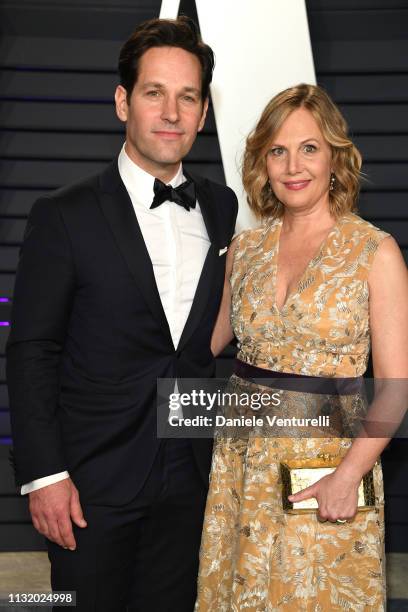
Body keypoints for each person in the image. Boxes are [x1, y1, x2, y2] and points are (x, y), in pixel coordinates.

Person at [6, 16, 237, 612]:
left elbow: (209, 338)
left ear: (203, 113)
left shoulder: (220, 205)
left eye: (187, 97)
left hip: (190, 474)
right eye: (154, 92)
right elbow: (32, 349)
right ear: (122, 102)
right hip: (90, 484)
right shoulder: (63, 214)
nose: (171, 112)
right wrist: (45, 475)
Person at [195, 83, 408, 610]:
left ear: (335, 157)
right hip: (240, 467)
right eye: (278, 150)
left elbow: (396, 390)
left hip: (328, 469)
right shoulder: (244, 249)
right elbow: (207, 340)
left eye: (309, 148)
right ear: (263, 162)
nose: (294, 165)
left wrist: (349, 474)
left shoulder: (374, 252)